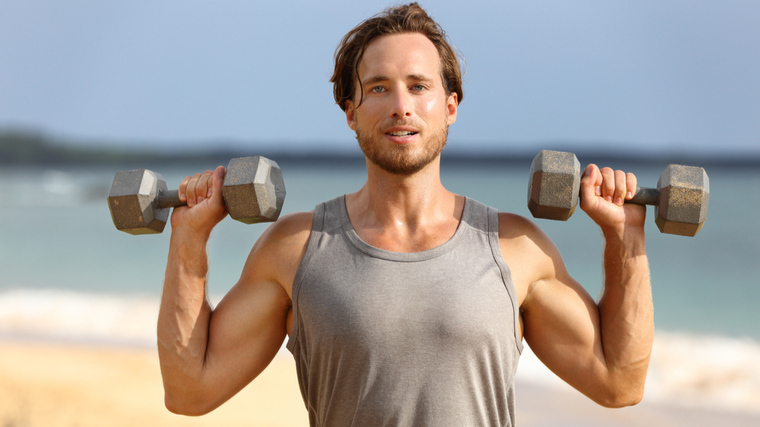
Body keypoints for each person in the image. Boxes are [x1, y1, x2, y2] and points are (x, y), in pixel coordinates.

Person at [157, 3, 653, 426]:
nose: (401, 106)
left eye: (419, 86)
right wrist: (188, 239)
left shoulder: (514, 247)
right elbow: (190, 391)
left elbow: (619, 383)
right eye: (378, 88)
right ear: (350, 111)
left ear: (450, 105)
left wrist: (625, 239)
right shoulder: (295, 248)